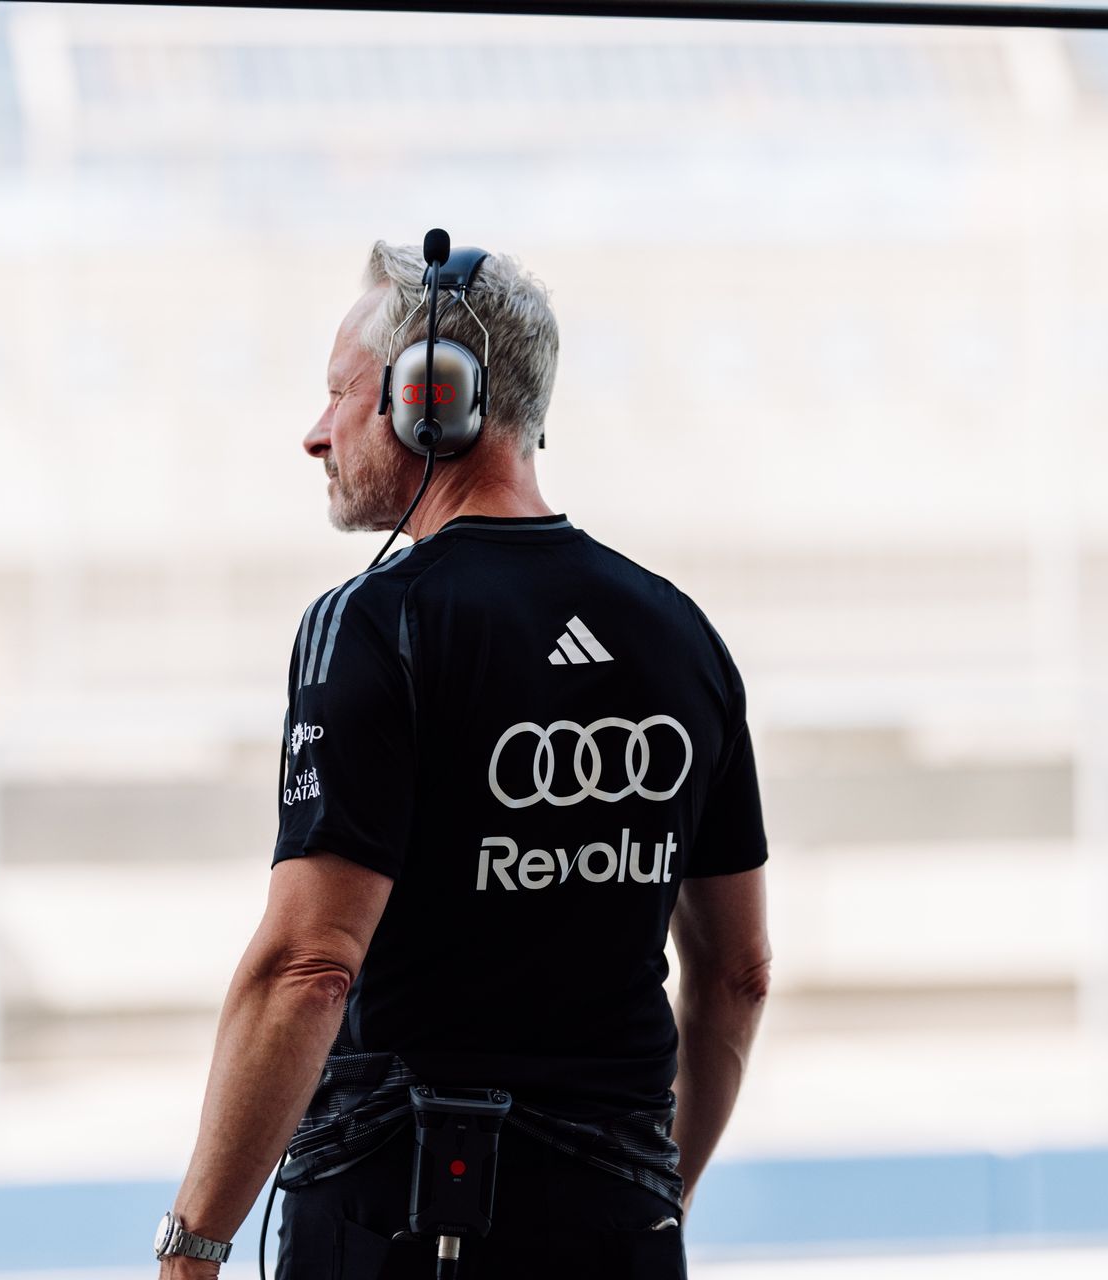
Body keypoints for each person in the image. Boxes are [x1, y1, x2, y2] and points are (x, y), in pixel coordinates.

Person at [156, 241, 772, 1280]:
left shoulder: (373, 624)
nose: (315, 433)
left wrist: (193, 1245)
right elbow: (738, 975)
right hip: (621, 1237)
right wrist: (650, 1197)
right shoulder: (683, 634)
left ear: (428, 399)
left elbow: (309, 966)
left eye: (339, 394)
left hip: (395, 1234)